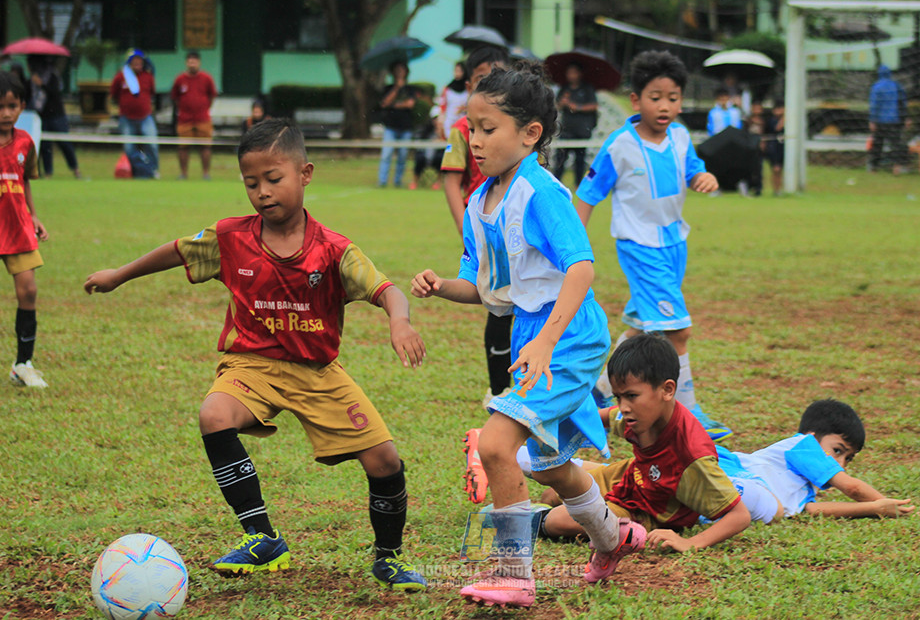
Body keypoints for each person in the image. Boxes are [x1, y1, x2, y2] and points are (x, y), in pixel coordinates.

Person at [83, 118, 429, 591]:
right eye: (251, 183)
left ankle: (388, 559)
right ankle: (262, 538)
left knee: (385, 462)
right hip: (252, 365)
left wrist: (400, 320)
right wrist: (120, 274)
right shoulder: (230, 238)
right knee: (214, 414)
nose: (263, 192)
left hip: (316, 371)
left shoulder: (333, 251)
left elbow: (387, 290)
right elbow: (178, 252)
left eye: (273, 179)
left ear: (304, 174)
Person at [412, 62, 646, 608]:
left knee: (496, 444)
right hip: (531, 335)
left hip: (568, 337)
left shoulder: (541, 193)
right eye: (470, 128)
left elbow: (581, 269)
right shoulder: (479, 202)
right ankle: (613, 540)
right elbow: (485, 286)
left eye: (487, 129)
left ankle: (513, 573)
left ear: (530, 133)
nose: (474, 140)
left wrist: (546, 342)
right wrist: (444, 285)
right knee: (550, 466)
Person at [575, 50, 731, 442]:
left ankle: (597, 390)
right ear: (635, 100)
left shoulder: (680, 137)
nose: (665, 106)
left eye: (673, 97)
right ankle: (691, 413)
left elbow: (692, 168)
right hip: (639, 245)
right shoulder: (620, 145)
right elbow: (589, 193)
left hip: (675, 242)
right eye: (655, 97)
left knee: (641, 325)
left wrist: (703, 177)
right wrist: (572, 246)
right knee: (677, 331)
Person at [533, 335, 751, 551]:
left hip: (648, 510)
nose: (624, 406)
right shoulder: (639, 413)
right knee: (551, 494)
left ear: (667, 390)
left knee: (559, 521)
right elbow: (607, 416)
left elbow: (739, 515)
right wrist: (555, 423)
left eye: (631, 396)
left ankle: (522, 521)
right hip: (630, 477)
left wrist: (690, 543)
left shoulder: (690, 456)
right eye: (619, 397)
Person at [439, 46, 515, 504]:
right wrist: (466, 228)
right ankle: (499, 389)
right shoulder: (461, 130)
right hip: (483, 226)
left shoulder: (515, 131)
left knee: (515, 303)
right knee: (495, 301)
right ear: (468, 85)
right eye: (483, 77)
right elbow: (451, 180)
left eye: (498, 77)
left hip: (509, 225)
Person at [716, 399, 916, 521]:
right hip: (726, 468)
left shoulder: (801, 489)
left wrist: (875, 509)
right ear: (811, 436)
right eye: (838, 451)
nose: (841, 464)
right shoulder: (804, 445)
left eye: (848, 459)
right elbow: (852, 488)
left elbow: (812, 510)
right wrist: (893, 505)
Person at [0, 71, 49, 388]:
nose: (5, 113)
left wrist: (33, 216)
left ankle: (23, 364)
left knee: (29, 290)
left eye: (12, 106)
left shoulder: (25, 142)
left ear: (21, 106)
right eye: (0, 107)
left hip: (17, 225)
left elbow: (25, 180)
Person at [27, 55, 81, 179]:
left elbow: (55, 93)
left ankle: (76, 170)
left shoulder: (52, 76)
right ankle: (48, 173)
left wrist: (41, 84)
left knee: (65, 143)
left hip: (57, 115)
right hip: (42, 116)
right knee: (45, 145)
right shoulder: (31, 80)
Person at [110, 49, 159, 178]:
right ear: (129, 63)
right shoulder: (121, 76)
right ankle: (133, 171)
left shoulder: (148, 77)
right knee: (129, 147)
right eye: (134, 61)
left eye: (140, 61)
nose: (137, 64)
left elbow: (152, 93)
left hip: (145, 117)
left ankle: (153, 171)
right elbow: (114, 94)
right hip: (127, 118)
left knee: (152, 144)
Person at [171, 51, 217, 180]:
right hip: (185, 119)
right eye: (190, 62)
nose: (192, 64)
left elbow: (211, 96)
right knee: (183, 147)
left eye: (194, 61)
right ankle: (183, 173)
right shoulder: (180, 79)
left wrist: (203, 107)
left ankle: (206, 173)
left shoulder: (206, 78)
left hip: (203, 119)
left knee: (205, 147)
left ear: (199, 62)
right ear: (186, 63)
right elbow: (175, 98)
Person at [552, 62, 599, 186]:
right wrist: (563, 103)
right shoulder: (564, 89)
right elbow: (557, 106)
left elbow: (594, 105)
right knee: (560, 159)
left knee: (580, 160)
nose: (571, 75)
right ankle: (556, 183)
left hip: (582, 130)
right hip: (567, 130)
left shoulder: (587, 88)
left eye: (574, 72)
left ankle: (579, 185)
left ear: (580, 73)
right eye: (569, 72)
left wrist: (577, 107)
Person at [377, 61, 416, 188]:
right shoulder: (388, 88)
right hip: (390, 126)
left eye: (402, 70)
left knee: (402, 156)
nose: (399, 72)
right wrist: (397, 88)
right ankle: (382, 181)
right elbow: (385, 103)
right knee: (386, 154)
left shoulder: (410, 89)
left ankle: (397, 181)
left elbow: (410, 104)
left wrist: (395, 105)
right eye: (397, 70)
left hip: (406, 127)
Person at [868, 65, 908, 175]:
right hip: (894, 120)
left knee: (877, 144)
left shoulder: (876, 87)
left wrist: (872, 120)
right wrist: (904, 118)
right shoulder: (896, 86)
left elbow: (874, 105)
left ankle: (874, 168)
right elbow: (903, 103)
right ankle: (897, 167)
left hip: (880, 121)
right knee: (895, 144)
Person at [763, 98, 785, 194]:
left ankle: (779, 189)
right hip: (774, 147)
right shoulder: (772, 120)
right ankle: (776, 190)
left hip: (782, 147)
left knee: (780, 170)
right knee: (776, 169)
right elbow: (777, 128)